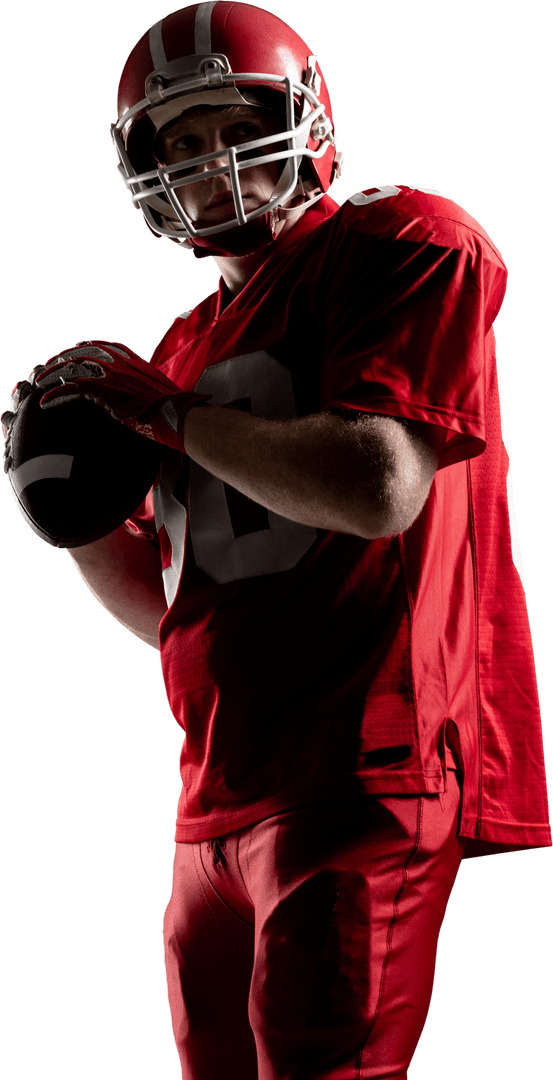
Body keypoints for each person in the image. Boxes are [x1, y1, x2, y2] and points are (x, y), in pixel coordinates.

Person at [3, 3, 551, 1078]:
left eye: (234, 121)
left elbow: (378, 485)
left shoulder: (401, 239)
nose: (215, 159)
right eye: (183, 141)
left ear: (308, 120)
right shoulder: (183, 342)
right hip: (214, 792)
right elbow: (180, 610)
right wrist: (65, 511)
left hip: (363, 764)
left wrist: (167, 421)